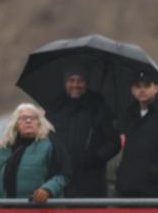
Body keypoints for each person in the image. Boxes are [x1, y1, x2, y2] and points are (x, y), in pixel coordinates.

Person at [46, 66, 120, 197]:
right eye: (71, 80)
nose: (75, 85)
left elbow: (114, 143)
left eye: (80, 80)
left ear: (86, 84)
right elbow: (45, 138)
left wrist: (94, 157)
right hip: (59, 179)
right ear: (65, 83)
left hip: (91, 181)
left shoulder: (100, 109)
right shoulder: (55, 108)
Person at [0, 103, 70, 201]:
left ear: (39, 122)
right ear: (16, 123)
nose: (28, 121)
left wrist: (48, 189)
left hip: (39, 208)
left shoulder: (51, 145)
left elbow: (63, 174)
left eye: (33, 118)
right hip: (7, 208)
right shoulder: (5, 148)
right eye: (23, 118)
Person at [115, 70, 158, 198]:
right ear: (132, 90)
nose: (142, 90)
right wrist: (121, 174)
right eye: (138, 86)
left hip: (154, 193)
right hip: (127, 190)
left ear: (156, 88)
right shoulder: (130, 115)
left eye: (147, 85)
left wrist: (154, 173)